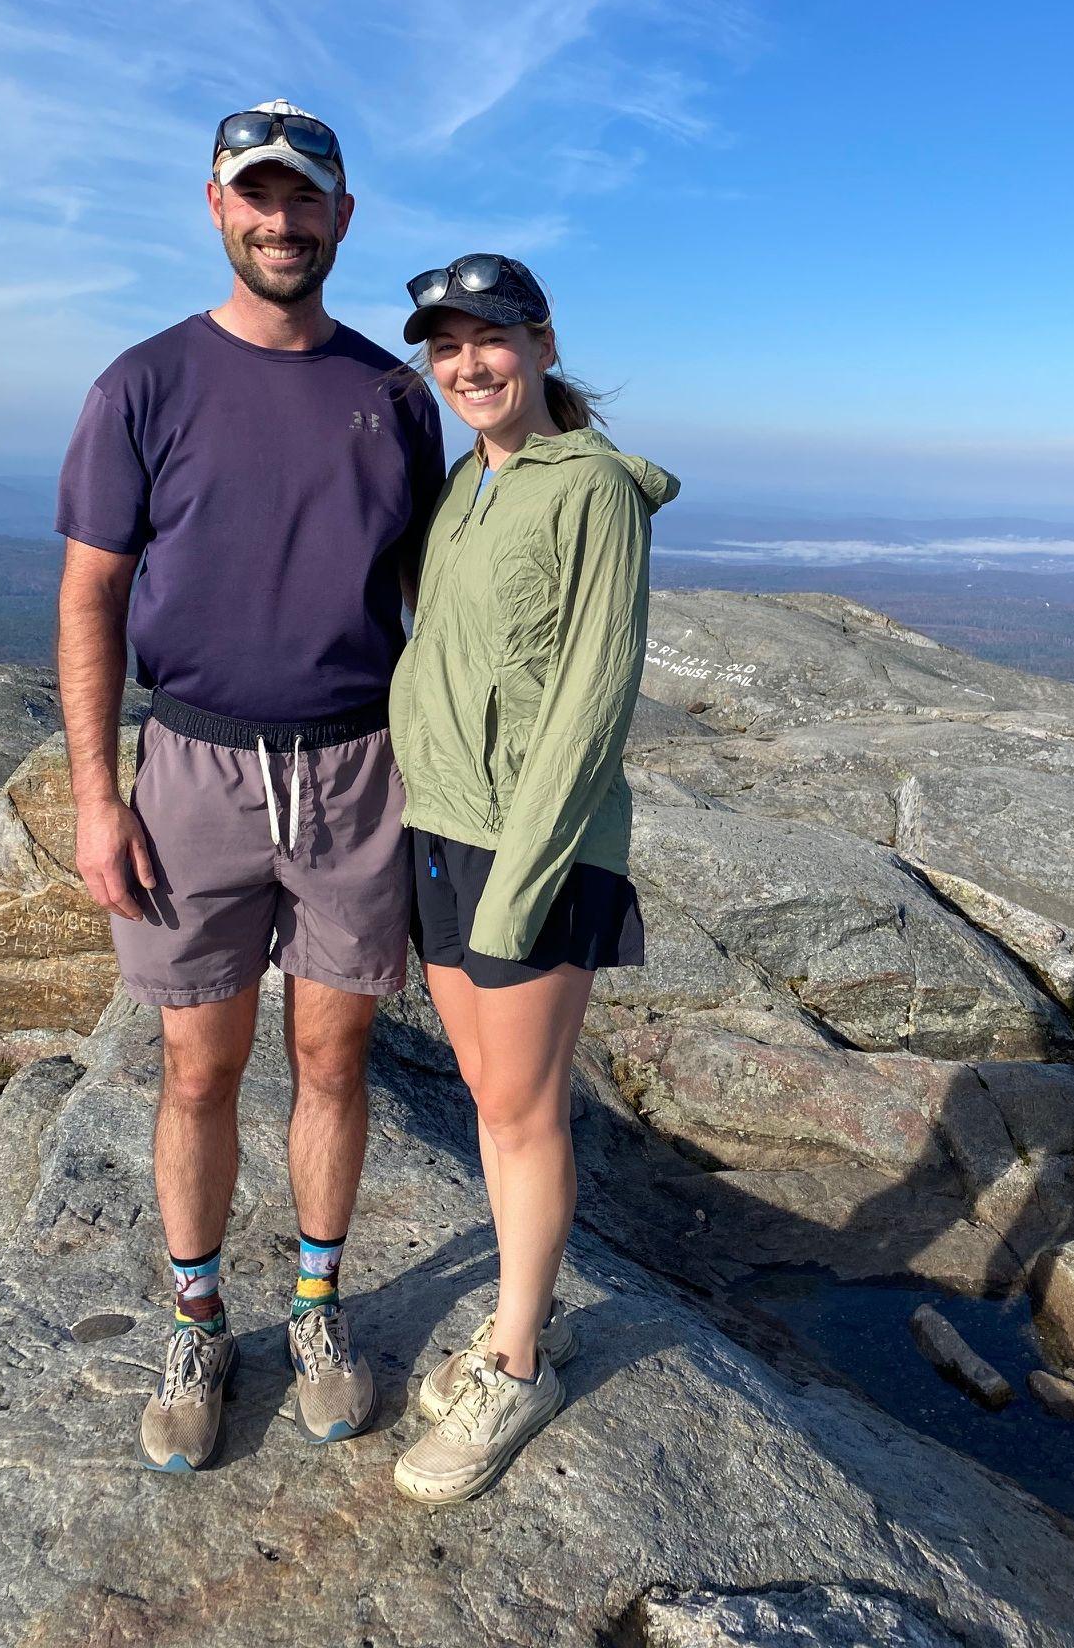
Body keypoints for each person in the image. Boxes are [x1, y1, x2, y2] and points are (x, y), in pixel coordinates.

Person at [54, 100, 445, 1472]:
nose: (281, 219)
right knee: (196, 1065)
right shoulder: (144, 384)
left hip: (355, 771)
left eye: (305, 197)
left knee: (336, 1057)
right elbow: (92, 594)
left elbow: (424, 598)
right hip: (196, 773)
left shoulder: (392, 394)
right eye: (255, 196)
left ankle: (320, 1307)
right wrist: (98, 799)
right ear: (217, 209)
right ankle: (198, 1318)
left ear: (344, 216)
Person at [384, 254, 678, 1504]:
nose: (466, 365)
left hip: (529, 848)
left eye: (489, 338)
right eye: (444, 346)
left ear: (543, 343)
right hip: (440, 828)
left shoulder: (592, 492)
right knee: (487, 1096)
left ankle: (516, 1362)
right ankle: (523, 1320)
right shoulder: (469, 483)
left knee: (522, 1106)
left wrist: (523, 878)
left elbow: (592, 700)